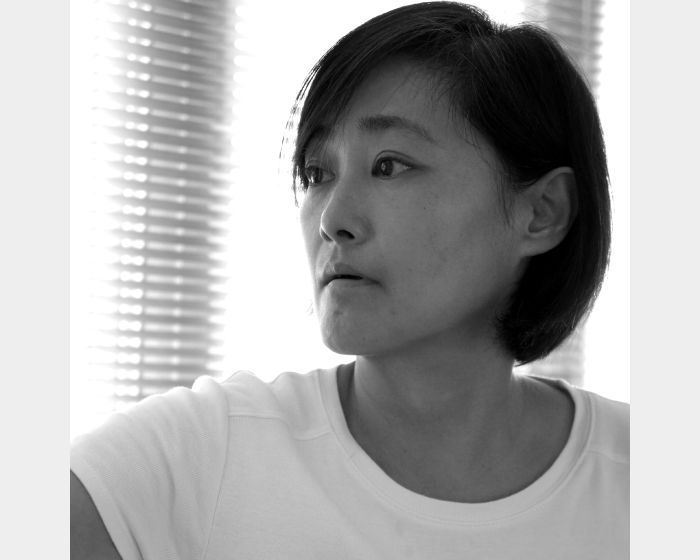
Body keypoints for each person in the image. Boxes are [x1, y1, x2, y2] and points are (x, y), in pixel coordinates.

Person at [70, 2, 629, 558]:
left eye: (389, 165)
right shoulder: (200, 456)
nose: (332, 219)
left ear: (542, 212)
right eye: (317, 173)